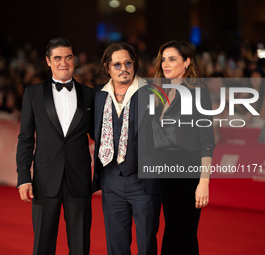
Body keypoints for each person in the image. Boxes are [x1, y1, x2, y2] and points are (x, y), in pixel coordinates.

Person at [16, 37, 93, 255]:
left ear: (74, 60)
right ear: (48, 61)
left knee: (80, 246)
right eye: (57, 58)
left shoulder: (89, 95)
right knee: (43, 244)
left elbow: (99, 135)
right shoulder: (33, 94)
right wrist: (23, 177)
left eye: (68, 57)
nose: (64, 63)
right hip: (44, 180)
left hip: (79, 181)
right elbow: (25, 138)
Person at [92, 42, 161, 255]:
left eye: (128, 63)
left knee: (146, 245)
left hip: (144, 183)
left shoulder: (153, 93)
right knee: (116, 246)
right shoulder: (99, 96)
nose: (124, 68)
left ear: (135, 65)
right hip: (111, 181)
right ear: (107, 67)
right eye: (117, 64)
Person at [153, 40, 215, 255]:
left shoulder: (198, 93)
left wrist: (203, 182)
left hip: (188, 172)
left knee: (182, 233)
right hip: (165, 173)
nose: (165, 64)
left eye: (172, 59)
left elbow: (207, 140)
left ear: (187, 62)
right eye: (163, 59)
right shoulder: (161, 93)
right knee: (174, 232)